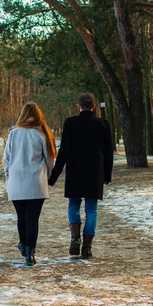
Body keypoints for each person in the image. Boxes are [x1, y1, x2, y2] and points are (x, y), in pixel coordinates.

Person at [48, 93, 113, 259]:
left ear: (79, 106)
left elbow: (64, 152)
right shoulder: (102, 125)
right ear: (93, 106)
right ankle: (87, 248)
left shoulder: (70, 123)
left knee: (73, 204)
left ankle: (75, 238)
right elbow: (108, 153)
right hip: (94, 171)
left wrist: (54, 175)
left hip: (75, 170)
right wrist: (107, 175)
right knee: (91, 209)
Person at [4, 102, 56, 266]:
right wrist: (47, 176)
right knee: (32, 219)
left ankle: (24, 245)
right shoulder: (42, 134)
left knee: (21, 216)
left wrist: (8, 177)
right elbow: (49, 159)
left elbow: (6, 159)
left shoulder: (13, 133)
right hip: (36, 181)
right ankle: (30, 253)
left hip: (17, 181)